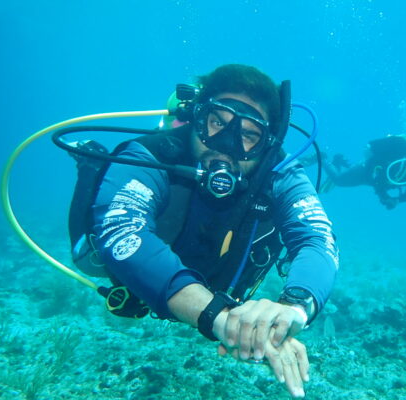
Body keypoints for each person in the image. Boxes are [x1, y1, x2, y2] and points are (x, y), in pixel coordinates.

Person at [77, 64, 338, 398]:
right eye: (218, 122)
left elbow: (317, 239)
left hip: (217, 295)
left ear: (267, 143)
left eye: (248, 134)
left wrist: (293, 309)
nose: (227, 145)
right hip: (166, 290)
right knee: (89, 256)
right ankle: (92, 170)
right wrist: (220, 318)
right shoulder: (151, 155)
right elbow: (123, 228)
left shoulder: (282, 174)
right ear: (198, 118)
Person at [322, 134, 406, 209]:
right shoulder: (399, 163)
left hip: (375, 178)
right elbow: (379, 179)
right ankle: (322, 158)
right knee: (339, 180)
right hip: (367, 170)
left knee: (349, 175)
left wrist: (396, 200)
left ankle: (341, 160)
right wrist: (384, 196)